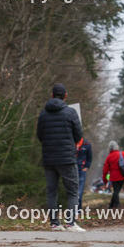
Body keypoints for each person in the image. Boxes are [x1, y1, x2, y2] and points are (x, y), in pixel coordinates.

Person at [36, 83, 85, 231]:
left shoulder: (43, 114)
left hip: (49, 159)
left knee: (52, 191)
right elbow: (78, 135)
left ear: (51, 95)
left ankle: (54, 223)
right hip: (67, 159)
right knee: (72, 191)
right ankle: (70, 223)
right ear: (66, 96)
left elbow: (40, 136)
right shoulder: (70, 113)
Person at [102, 141, 124, 208]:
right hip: (122, 176)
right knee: (117, 191)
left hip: (113, 177)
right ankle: (115, 204)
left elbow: (105, 170)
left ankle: (113, 204)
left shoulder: (109, 157)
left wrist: (105, 180)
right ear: (117, 146)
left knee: (116, 191)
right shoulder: (121, 154)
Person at [76, 136, 92, 214]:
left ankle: (78, 210)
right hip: (71, 170)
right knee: (73, 191)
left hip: (81, 170)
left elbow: (90, 157)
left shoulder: (87, 144)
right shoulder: (71, 142)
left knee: (79, 191)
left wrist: (86, 167)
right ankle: (72, 209)